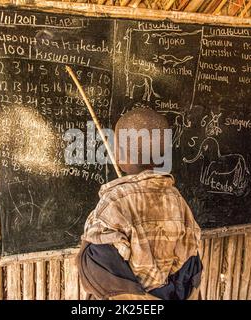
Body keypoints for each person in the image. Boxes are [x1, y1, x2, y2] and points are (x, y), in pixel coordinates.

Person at [77, 107, 202, 300]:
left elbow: (95, 266)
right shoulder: (177, 199)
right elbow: (190, 260)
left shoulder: (114, 201)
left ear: (119, 156)